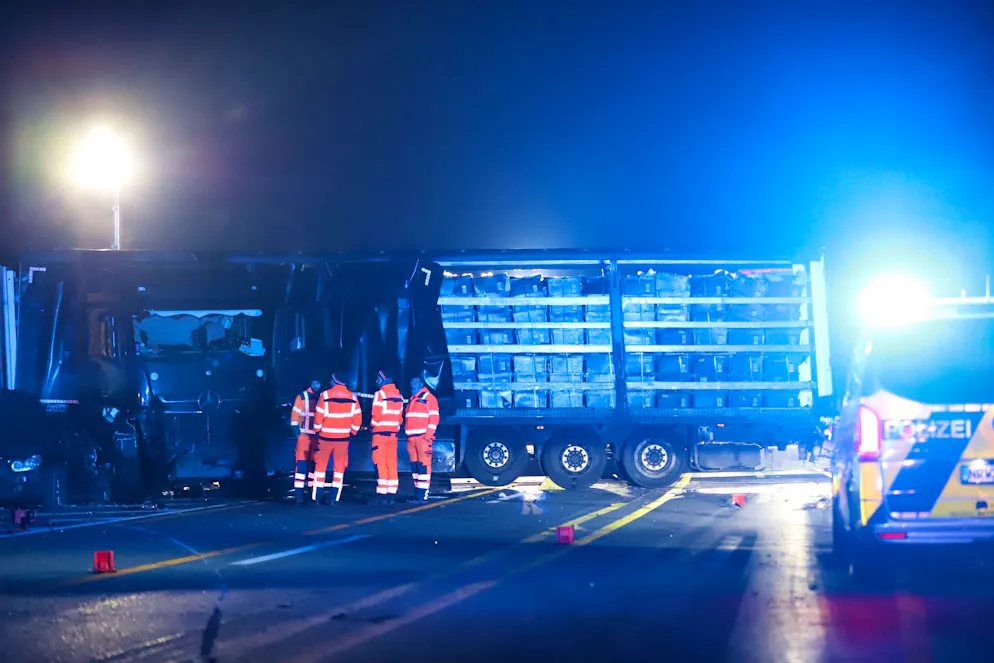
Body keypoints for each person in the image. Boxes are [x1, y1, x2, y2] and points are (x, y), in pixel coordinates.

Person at [313, 373, 362, 504]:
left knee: (320, 467)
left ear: (334, 381)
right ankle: (334, 497)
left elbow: (318, 416)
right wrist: (352, 432)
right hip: (343, 439)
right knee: (339, 468)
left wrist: (317, 430)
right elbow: (357, 419)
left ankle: (317, 497)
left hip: (325, 438)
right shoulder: (353, 397)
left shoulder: (325, 395)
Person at [370, 370, 404, 503]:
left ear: (382, 379)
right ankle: (391, 493)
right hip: (393, 435)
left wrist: (372, 426)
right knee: (391, 463)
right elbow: (400, 419)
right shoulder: (399, 396)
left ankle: (382, 494)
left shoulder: (380, 395)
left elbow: (376, 416)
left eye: (377, 379)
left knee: (380, 463)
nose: (376, 381)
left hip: (380, 435)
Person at [404, 375, 439, 501]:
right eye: (411, 382)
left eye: (414, 382)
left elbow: (434, 418)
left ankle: (422, 494)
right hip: (412, 439)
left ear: (420, 384)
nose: (412, 385)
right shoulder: (413, 399)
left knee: (423, 465)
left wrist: (427, 437)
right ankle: (417, 491)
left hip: (422, 438)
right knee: (415, 467)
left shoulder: (428, 398)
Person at [289, 378, 322, 504]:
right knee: (302, 467)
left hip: (315, 437)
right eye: (314, 382)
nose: (316, 385)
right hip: (306, 437)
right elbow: (294, 419)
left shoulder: (321, 396)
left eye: (318, 383)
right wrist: (297, 435)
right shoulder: (302, 396)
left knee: (313, 467)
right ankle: (299, 495)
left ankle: (308, 493)